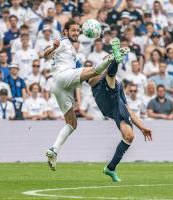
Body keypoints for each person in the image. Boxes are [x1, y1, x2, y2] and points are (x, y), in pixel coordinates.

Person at [45, 20, 125, 171]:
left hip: (59, 86)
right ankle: (112, 57)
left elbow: (89, 77)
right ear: (65, 32)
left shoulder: (73, 52)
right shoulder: (62, 42)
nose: (76, 33)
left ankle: (53, 150)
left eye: (78, 31)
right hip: (63, 76)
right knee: (95, 70)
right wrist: (52, 48)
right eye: (73, 30)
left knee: (72, 123)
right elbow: (45, 53)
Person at [87, 51, 152, 182]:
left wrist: (142, 127)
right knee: (110, 77)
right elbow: (91, 82)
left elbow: (127, 108)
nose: (107, 62)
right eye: (107, 60)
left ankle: (111, 168)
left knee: (129, 136)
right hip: (103, 97)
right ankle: (116, 60)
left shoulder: (119, 85)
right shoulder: (94, 74)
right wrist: (107, 65)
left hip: (116, 107)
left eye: (110, 60)